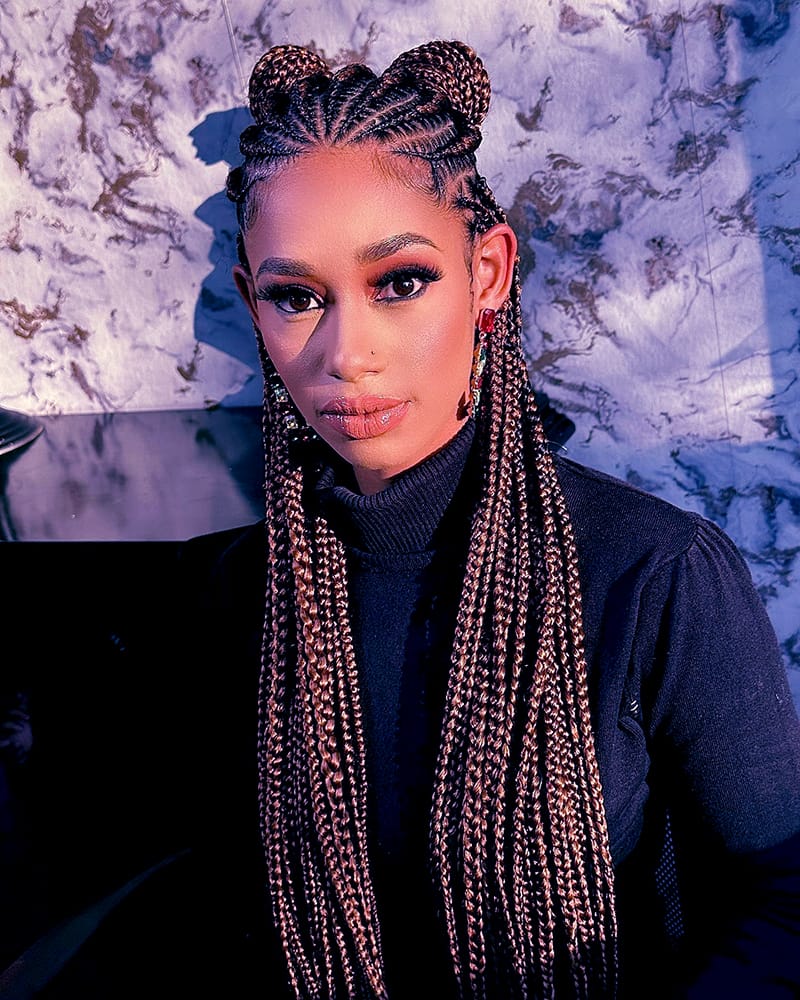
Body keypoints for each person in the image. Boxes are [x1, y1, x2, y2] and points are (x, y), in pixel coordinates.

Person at [170, 40, 800, 1000]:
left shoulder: (655, 575)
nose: (348, 354)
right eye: (297, 297)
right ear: (254, 306)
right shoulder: (240, 592)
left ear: (490, 273)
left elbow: (787, 899)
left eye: (401, 281)